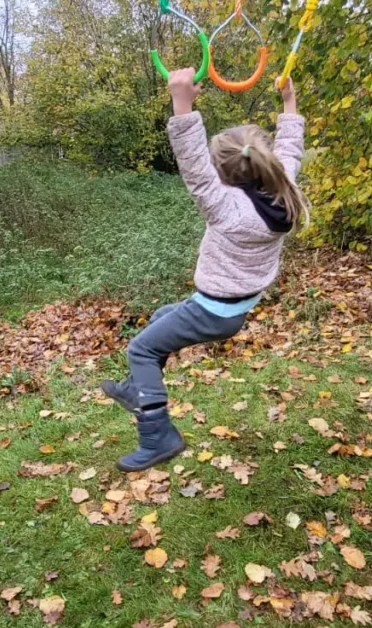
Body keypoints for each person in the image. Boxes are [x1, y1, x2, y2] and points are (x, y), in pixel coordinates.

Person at [103, 67, 308, 472]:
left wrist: (182, 103)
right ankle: (138, 389)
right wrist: (289, 103)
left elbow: (192, 163)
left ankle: (157, 434)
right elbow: (291, 148)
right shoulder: (283, 190)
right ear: (265, 163)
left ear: (225, 173)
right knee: (161, 319)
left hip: (214, 311)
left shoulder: (226, 208)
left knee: (141, 348)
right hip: (232, 306)